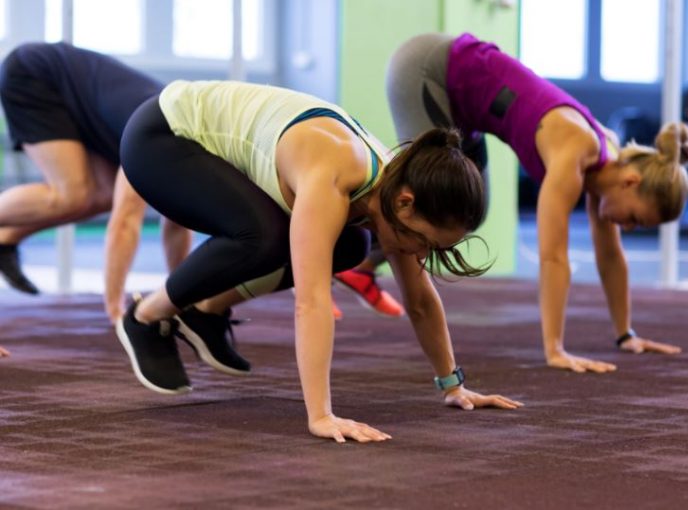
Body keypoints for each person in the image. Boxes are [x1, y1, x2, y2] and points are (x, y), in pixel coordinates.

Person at [116, 79, 522, 443]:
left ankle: (205, 312)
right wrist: (321, 415)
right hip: (162, 136)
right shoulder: (337, 173)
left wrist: (453, 385)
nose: (420, 256)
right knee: (264, 236)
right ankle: (145, 316)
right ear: (405, 203)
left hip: (198, 146)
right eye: (423, 243)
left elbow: (419, 298)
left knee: (350, 248)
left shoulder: (398, 188)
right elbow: (310, 301)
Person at [377, 32, 688, 374]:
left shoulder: (608, 164)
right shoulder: (577, 149)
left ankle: (365, 264)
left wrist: (626, 335)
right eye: (635, 217)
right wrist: (555, 349)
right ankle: (356, 252)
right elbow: (553, 256)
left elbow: (610, 255)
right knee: (432, 205)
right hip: (428, 70)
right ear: (631, 181)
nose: (629, 227)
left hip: (462, 108)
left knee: (469, 213)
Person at [0, 42, 192, 322]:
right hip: (35, 73)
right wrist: (115, 310)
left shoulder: (188, 155)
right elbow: (125, 223)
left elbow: (178, 221)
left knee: (103, 195)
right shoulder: (158, 139)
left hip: (79, 98)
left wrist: (185, 301)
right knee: (71, 195)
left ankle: (5, 240)